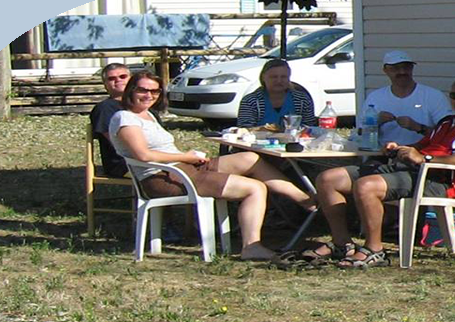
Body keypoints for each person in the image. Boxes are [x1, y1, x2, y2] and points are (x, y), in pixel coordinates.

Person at [108, 73, 311, 260]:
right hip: (163, 178)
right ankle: (251, 246)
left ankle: (306, 201)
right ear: (131, 91)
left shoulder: (148, 115)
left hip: (182, 168)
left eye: (155, 91)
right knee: (255, 188)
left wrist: (189, 158)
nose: (149, 95)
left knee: (250, 158)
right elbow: (143, 155)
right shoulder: (125, 118)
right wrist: (185, 157)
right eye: (143, 90)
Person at [310, 77, 455, 268]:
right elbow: (421, 147)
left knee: (366, 186)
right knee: (328, 179)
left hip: (440, 180)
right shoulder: (446, 122)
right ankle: (341, 243)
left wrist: (425, 159)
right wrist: (400, 149)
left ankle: (374, 250)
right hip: (409, 170)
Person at [361, 51, 451, 147]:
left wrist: (418, 127)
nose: (402, 72)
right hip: (384, 154)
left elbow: (448, 135)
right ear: (385, 70)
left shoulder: (433, 96)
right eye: (395, 68)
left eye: (406, 67)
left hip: (422, 154)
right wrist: (376, 122)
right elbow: (361, 134)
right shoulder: (375, 98)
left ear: (412, 68)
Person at [235, 59, 318, 129]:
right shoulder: (250, 101)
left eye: (283, 77)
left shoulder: (302, 99)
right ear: (263, 77)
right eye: (274, 77)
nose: (279, 81)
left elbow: (309, 127)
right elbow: (245, 130)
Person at [88, 63, 132, 178]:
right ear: (105, 85)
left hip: (151, 157)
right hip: (124, 163)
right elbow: (118, 143)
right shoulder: (104, 109)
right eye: (111, 78)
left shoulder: (143, 106)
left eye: (123, 76)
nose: (118, 80)